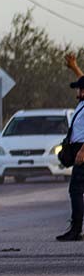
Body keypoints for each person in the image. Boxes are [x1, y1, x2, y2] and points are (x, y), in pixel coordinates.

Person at [57, 76, 84, 241]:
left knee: (75, 190)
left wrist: (82, 151)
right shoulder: (81, 105)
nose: (78, 92)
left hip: (82, 154)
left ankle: (75, 230)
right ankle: (76, 228)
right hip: (77, 151)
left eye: (80, 89)